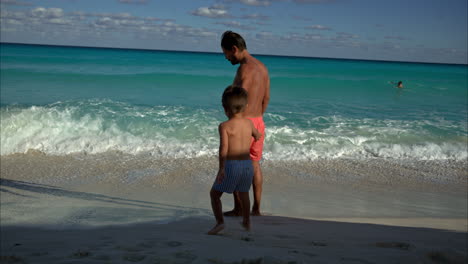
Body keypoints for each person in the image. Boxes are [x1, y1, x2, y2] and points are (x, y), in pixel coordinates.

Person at [221, 30, 270, 216]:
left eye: (225, 53)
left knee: (235, 164)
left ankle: (239, 208)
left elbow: (237, 100)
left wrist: (237, 122)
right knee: (255, 165)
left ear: (234, 49)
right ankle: (256, 208)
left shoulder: (243, 69)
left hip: (243, 123)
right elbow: (266, 98)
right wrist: (257, 119)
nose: (226, 57)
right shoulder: (263, 67)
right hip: (258, 121)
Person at [208, 86, 262, 235]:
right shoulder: (249, 123)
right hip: (247, 166)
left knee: (214, 195)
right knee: (244, 193)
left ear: (225, 109)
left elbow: (223, 149)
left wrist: (221, 168)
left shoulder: (224, 126)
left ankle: (220, 223)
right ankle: (246, 221)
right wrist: (255, 137)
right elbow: (258, 135)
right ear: (246, 107)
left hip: (232, 166)